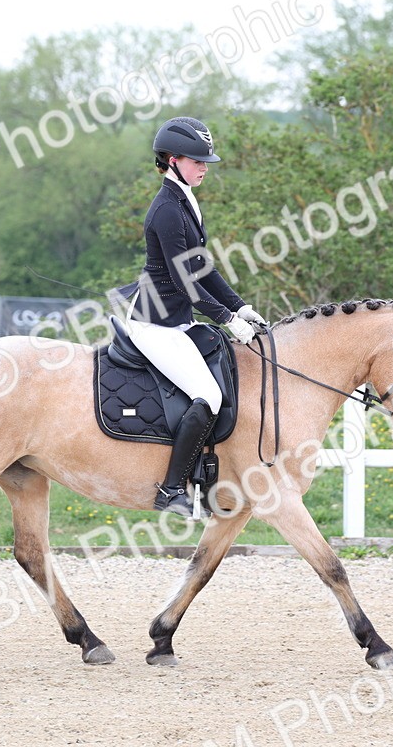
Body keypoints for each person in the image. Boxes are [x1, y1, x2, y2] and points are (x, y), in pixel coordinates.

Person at [119, 116, 268, 517]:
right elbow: (186, 283)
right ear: (172, 159)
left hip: (178, 320)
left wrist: (239, 306)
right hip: (155, 324)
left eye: (206, 161)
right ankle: (170, 490)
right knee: (210, 395)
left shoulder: (185, 200)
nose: (204, 167)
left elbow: (203, 270)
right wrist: (225, 318)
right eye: (197, 160)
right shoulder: (167, 210)